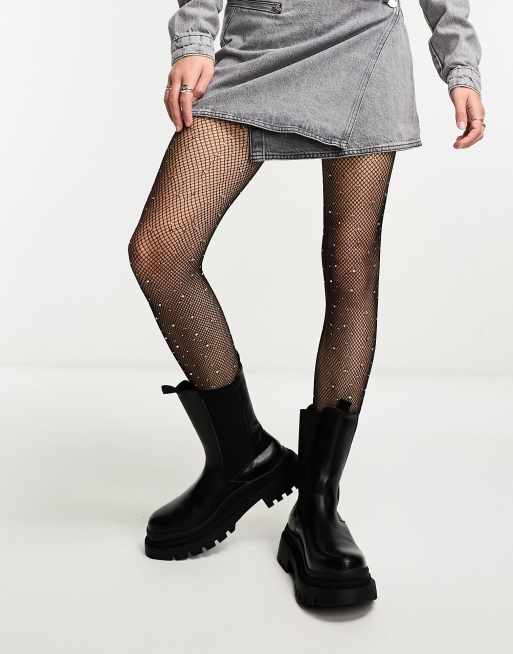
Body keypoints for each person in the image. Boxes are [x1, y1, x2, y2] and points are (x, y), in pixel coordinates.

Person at [128, 0, 485, 608]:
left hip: (363, 43)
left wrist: (461, 64)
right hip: (257, 40)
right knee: (161, 252)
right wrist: (194, 38)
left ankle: (317, 503)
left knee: (350, 275)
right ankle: (242, 453)